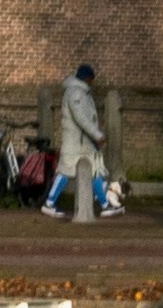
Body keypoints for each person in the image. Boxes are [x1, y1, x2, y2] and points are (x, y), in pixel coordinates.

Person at [42, 61, 112, 220]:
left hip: (82, 143)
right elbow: (81, 118)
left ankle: (105, 204)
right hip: (76, 143)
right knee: (66, 171)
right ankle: (49, 202)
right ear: (87, 78)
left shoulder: (79, 92)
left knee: (92, 170)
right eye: (91, 78)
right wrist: (97, 135)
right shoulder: (76, 93)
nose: (92, 82)